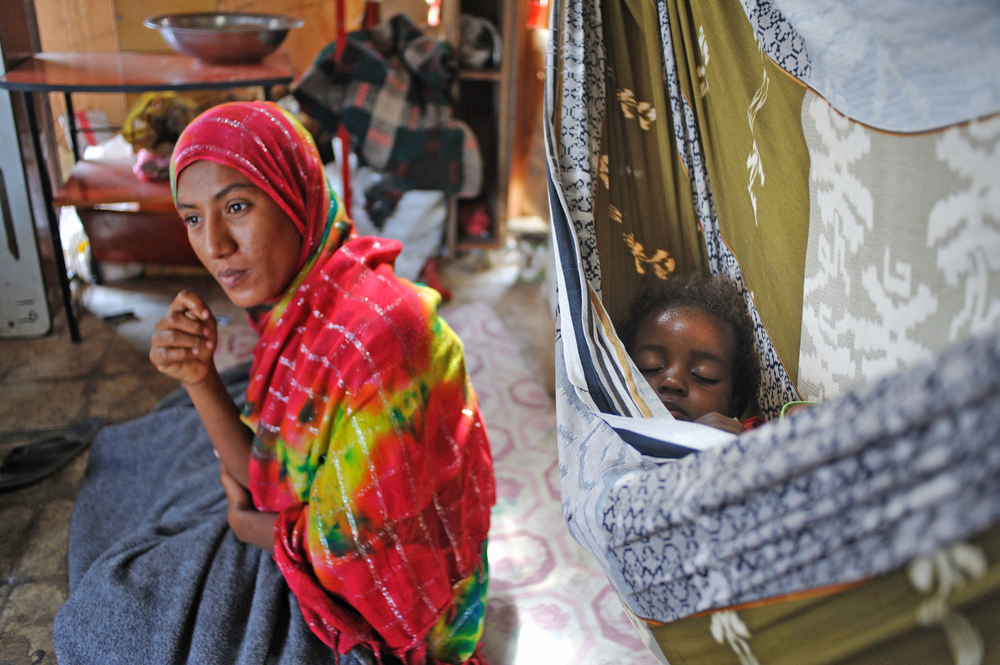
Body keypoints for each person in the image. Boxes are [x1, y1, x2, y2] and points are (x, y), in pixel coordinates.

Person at [59, 101, 495, 665]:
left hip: (403, 609)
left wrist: (250, 527)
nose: (215, 245)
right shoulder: (300, 300)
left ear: (296, 196)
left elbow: (357, 556)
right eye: (192, 217)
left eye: (236, 206)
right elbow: (272, 479)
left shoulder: (383, 337)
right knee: (161, 464)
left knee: (118, 623)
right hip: (313, 534)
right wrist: (197, 377)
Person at [620, 274, 764, 435]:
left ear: (735, 404)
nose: (673, 381)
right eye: (650, 366)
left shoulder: (752, 446)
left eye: (703, 375)